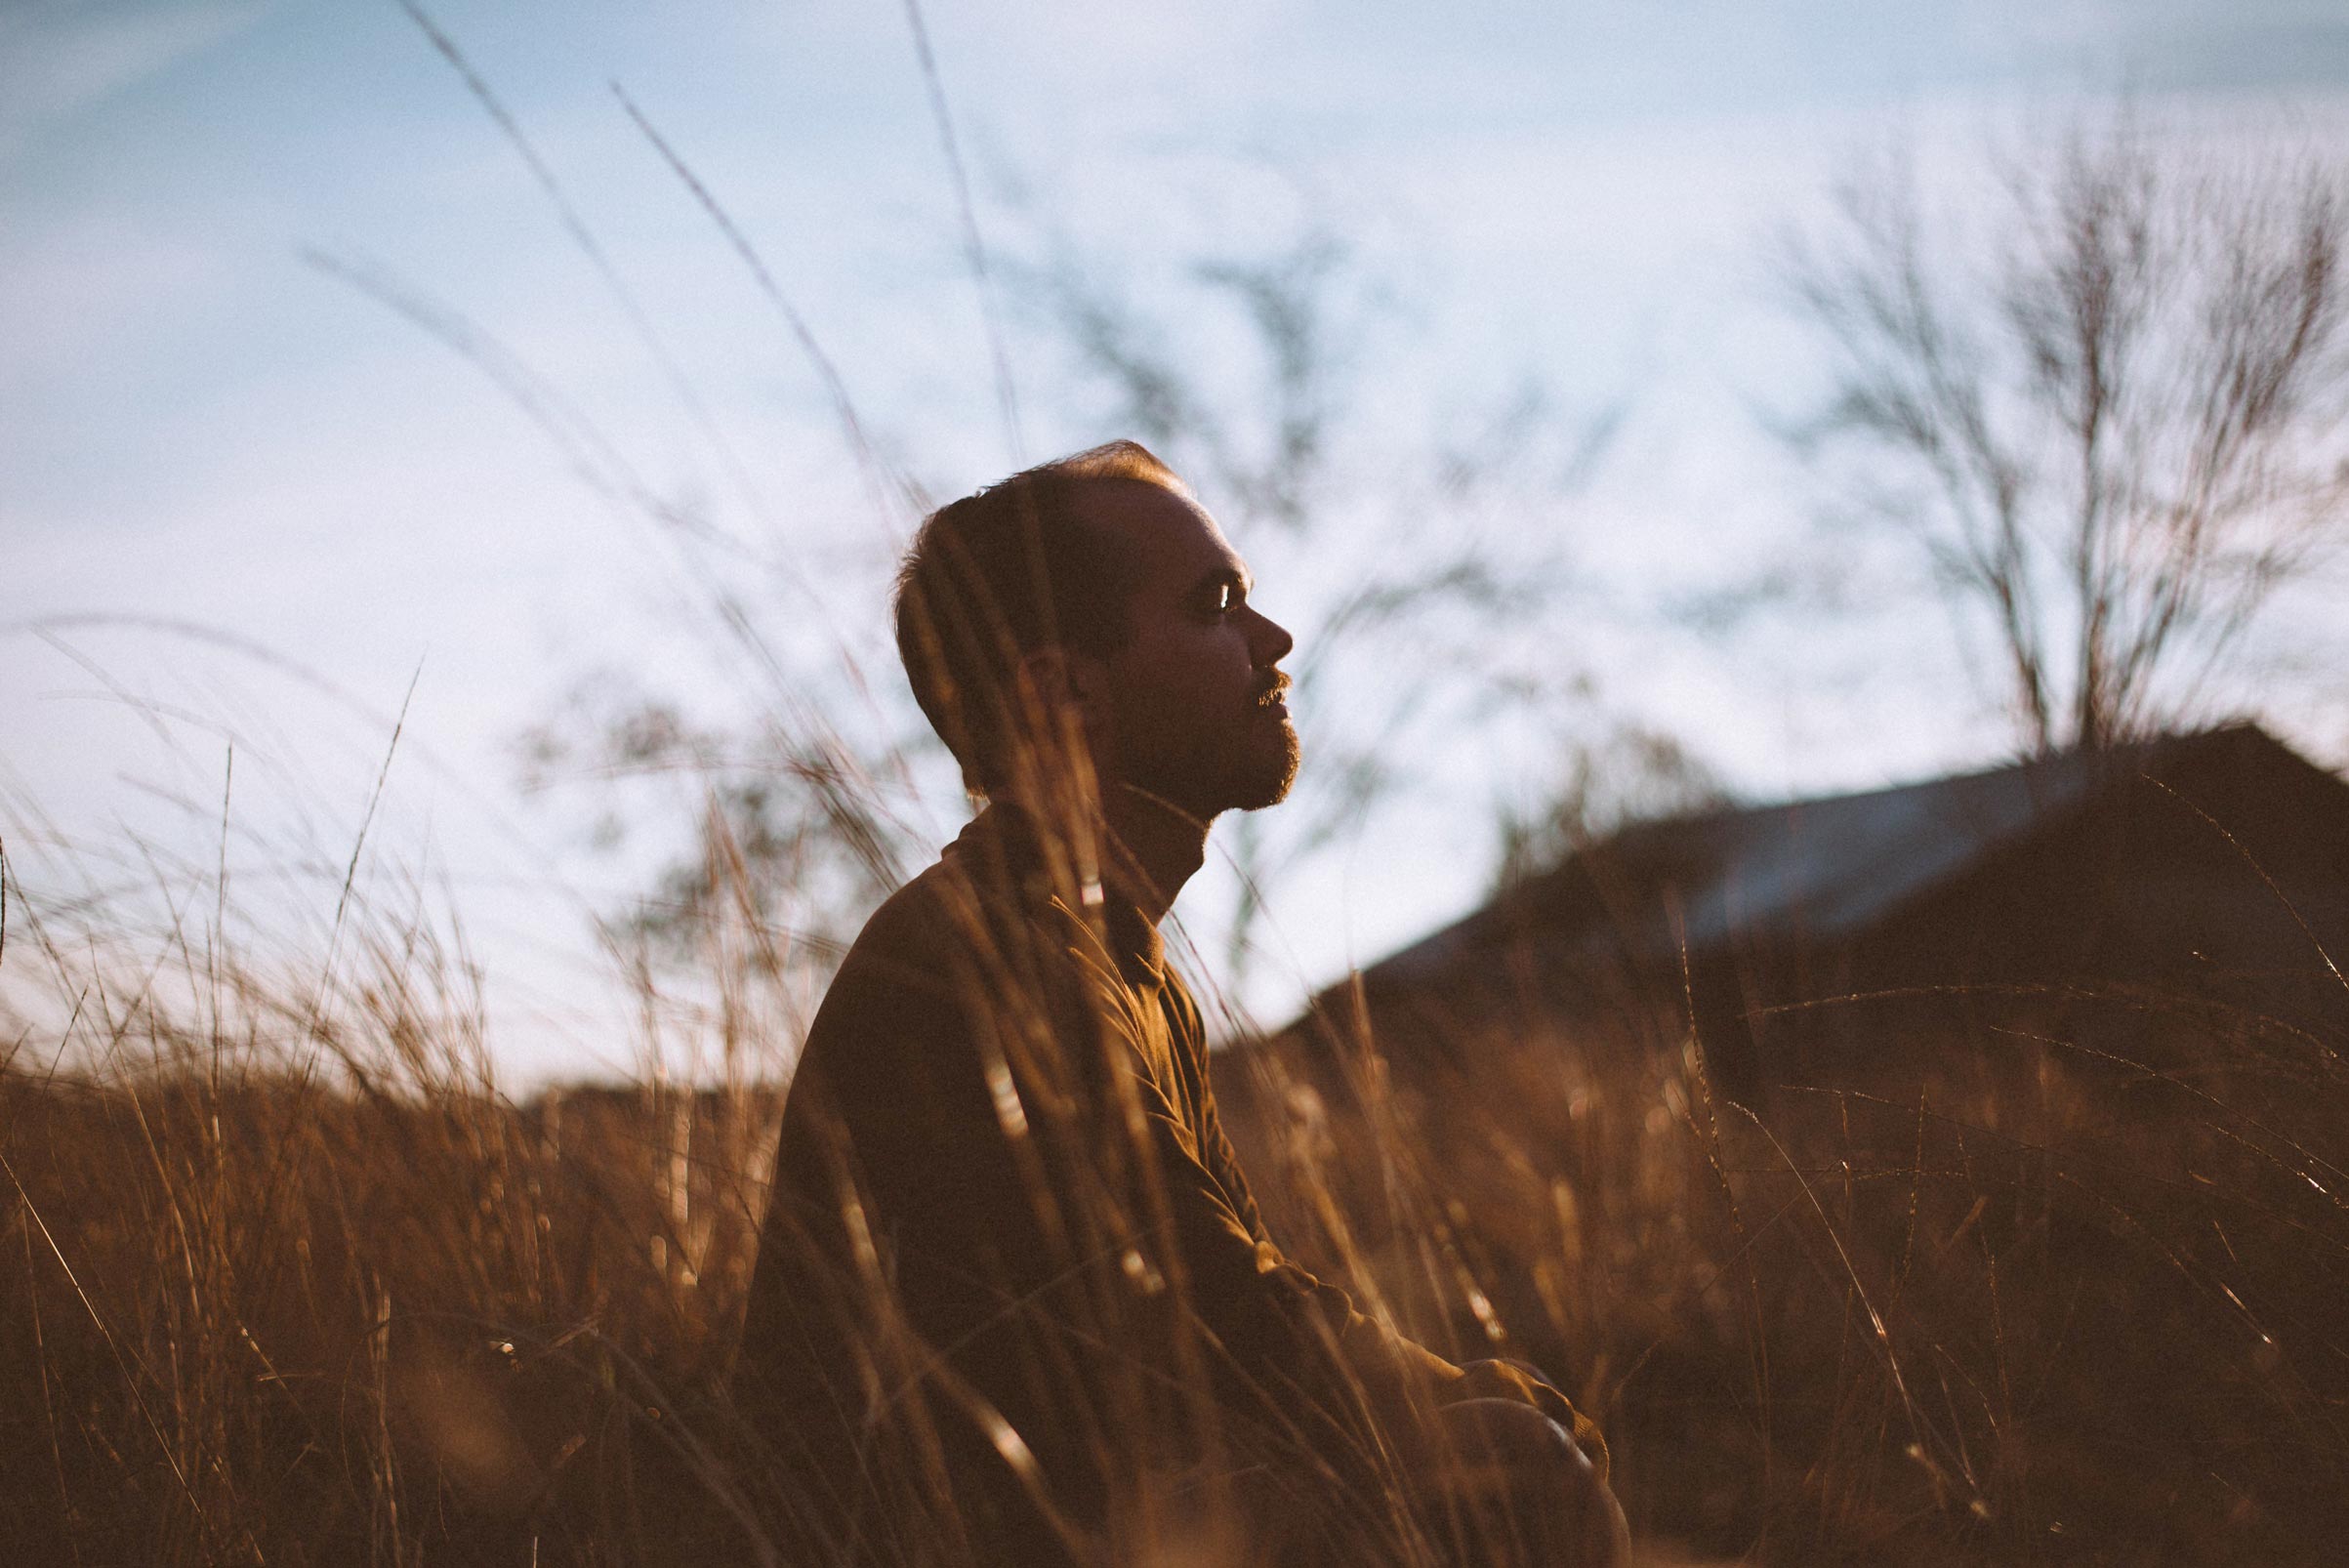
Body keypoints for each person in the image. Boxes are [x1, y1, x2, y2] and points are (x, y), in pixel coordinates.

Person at [732, 441, 1628, 1565]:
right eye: (1217, 605)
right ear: (1065, 689)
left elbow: (1224, 1305)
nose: (1273, 641)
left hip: (1066, 1515)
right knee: (1511, 1475)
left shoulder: (1121, 958)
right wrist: (1468, 1408)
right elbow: (1214, 1320)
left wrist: (1469, 1396)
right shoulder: (993, 962)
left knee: (1495, 1442)